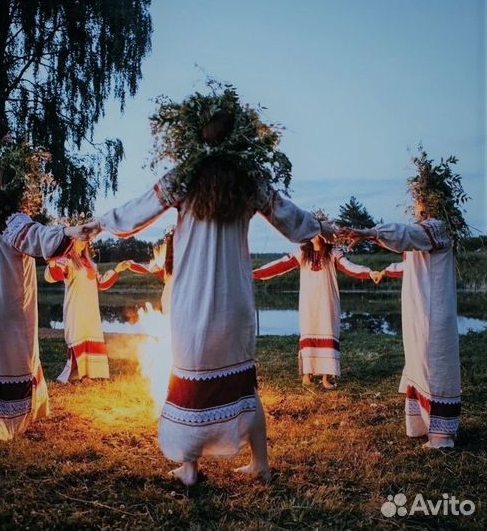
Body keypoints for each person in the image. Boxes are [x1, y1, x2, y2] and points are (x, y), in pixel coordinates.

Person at [82, 88, 335, 485]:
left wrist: (99, 223)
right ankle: (261, 464)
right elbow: (290, 217)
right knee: (242, 383)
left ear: (198, 133)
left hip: (193, 298)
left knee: (190, 383)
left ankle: (190, 466)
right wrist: (321, 229)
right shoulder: (250, 179)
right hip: (232, 298)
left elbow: (137, 212)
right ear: (237, 135)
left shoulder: (184, 177)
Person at [341, 148, 469, 449]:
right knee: (419, 361)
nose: (416, 204)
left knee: (435, 365)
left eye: (419, 200)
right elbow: (411, 258)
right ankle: (423, 425)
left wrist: (370, 232)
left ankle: (442, 436)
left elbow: (405, 235)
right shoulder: (429, 233)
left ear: (431, 200)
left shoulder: (438, 228)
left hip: (433, 313)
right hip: (419, 310)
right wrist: (386, 270)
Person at [0, 140, 85, 441]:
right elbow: (44, 242)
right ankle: (10, 423)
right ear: (22, 190)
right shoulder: (14, 220)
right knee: (14, 358)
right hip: (5, 302)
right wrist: (73, 231)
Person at [254, 228, 381, 388]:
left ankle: (326, 378)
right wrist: (254, 274)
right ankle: (307, 375)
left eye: (317, 230)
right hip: (308, 301)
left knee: (328, 331)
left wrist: (369, 273)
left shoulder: (333, 252)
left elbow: (350, 267)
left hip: (327, 301)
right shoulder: (301, 253)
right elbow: (279, 266)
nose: (314, 234)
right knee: (308, 333)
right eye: (311, 230)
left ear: (324, 233)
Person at [44, 239, 125, 382]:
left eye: (84, 240)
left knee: (90, 336)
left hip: (90, 309)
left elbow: (101, 283)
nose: (83, 243)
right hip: (75, 308)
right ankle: (76, 375)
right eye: (79, 239)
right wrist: (52, 262)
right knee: (77, 336)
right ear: (72, 241)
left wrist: (117, 269)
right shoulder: (66, 260)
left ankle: (90, 374)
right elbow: (54, 276)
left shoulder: (91, 264)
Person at [120, 228, 175, 313]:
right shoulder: (165, 262)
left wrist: (131, 265)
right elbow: (149, 269)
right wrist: (131, 265)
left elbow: (150, 270)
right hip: (171, 303)